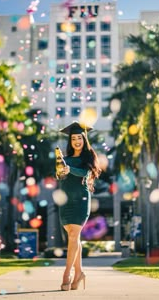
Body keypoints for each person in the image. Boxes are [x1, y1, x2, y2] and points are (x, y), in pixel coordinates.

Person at [56, 121, 101, 291]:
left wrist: (69, 169)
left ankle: (66, 274)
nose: (76, 141)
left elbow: (85, 173)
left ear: (84, 139)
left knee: (74, 235)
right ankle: (79, 274)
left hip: (81, 201)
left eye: (79, 138)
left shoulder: (88, 157)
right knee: (74, 238)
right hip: (66, 201)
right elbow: (61, 177)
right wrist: (60, 171)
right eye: (73, 138)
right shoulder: (64, 159)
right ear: (70, 141)